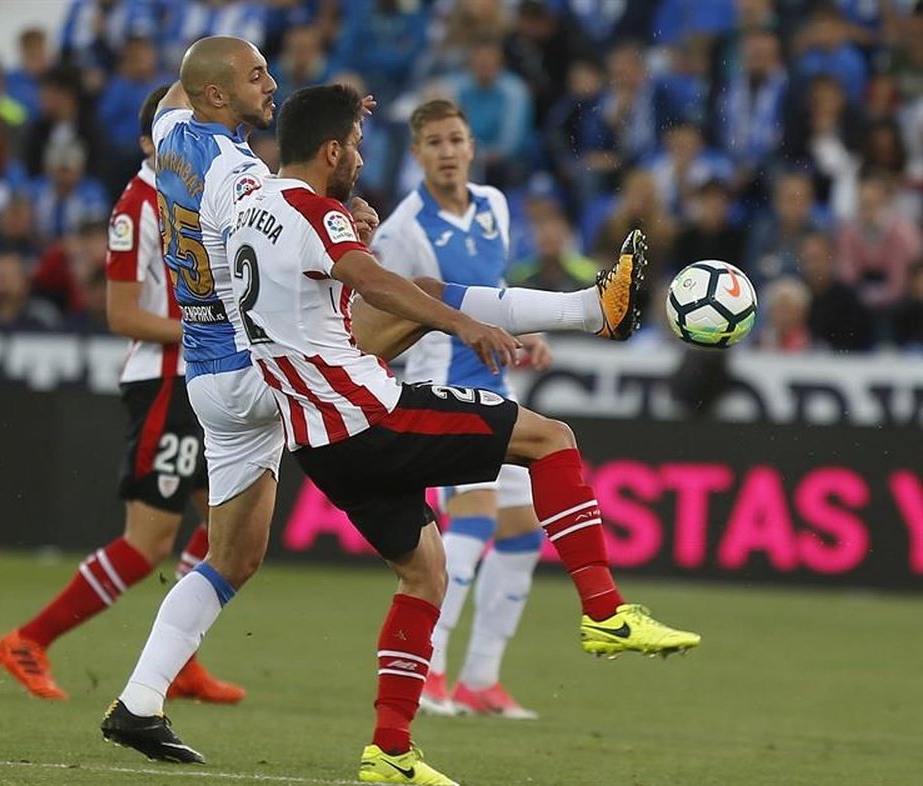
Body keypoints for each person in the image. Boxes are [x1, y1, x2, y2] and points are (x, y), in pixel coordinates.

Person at [99, 38, 694, 777]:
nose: (272, 84)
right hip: (267, 373)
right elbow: (314, 239)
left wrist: (335, 135)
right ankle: (590, 310)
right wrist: (337, 195)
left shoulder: (171, 135)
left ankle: (141, 700)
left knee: (235, 559)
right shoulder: (242, 176)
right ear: (220, 97)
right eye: (257, 77)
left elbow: (184, 93)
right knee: (421, 298)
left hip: (211, 378)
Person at [0, 86, 243, 705]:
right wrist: (207, 327)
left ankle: (179, 659)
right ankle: (28, 639)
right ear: (147, 143)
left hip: (203, 379)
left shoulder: (200, 195)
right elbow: (124, 315)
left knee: (229, 522)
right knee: (149, 542)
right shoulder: (138, 206)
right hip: (165, 382)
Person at [370, 98, 552, 721]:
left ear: (472, 146)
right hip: (442, 384)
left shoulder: (496, 205)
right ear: (416, 153)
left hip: (498, 385)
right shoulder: (402, 230)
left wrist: (521, 331)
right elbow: (386, 313)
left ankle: (481, 680)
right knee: (473, 520)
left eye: (456, 140)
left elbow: (492, 292)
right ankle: (431, 672)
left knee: (524, 531)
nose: (448, 152)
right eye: (435, 144)